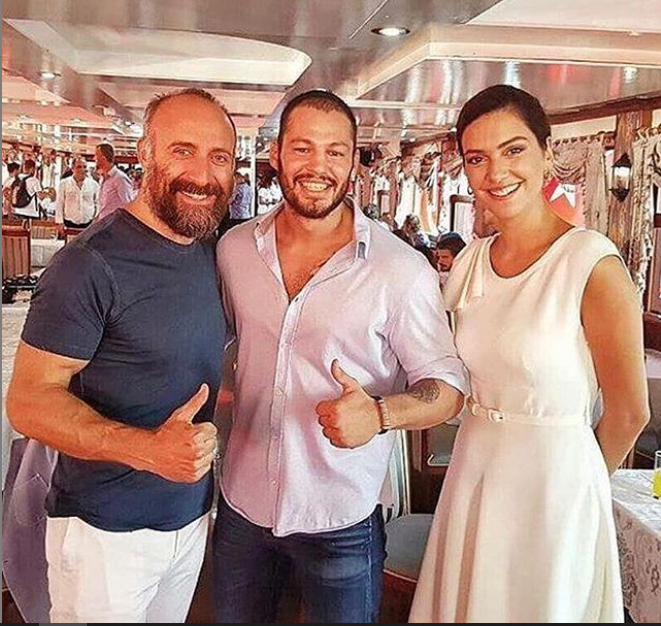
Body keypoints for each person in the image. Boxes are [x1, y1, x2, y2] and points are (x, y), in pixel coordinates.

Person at [214, 89, 467, 624]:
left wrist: (379, 414)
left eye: (335, 152)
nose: (318, 166)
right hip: (241, 506)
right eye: (302, 148)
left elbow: (447, 388)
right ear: (277, 154)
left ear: (354, 162)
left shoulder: (400, 270)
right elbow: (219, 342)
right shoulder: (234, 250)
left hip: (341, 517)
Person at [410, 85, 650, 623]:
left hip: (554, 487)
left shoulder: (592, 264)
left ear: (546, 152)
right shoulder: (470, 261)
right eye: (478, 158)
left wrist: (574, 490)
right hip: (474, 468)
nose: (496, 172)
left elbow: (630, 413)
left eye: (513, 150)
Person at [6, 87, 237, 623]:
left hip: (187, 519)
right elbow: (28, 402)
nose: (202, 175)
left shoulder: (208, 251)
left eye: (219, 157)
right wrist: (146, 449)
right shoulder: (88, 264)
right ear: (146, 155)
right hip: (103, 534)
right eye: (183, 151)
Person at [54, 157, 100, 229]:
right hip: (69, 223)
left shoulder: (94, 184)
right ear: (72, 169)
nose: (82, 169)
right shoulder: (64, 183)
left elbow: (98, 203)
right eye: (79, 167)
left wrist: (96, 220)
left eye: (84, 167)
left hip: (89, 224)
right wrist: (60, 222)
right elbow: (60, 203)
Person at [95, 142, 136, 221]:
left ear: (103, 158)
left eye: (96, 156)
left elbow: (129, 205)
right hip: (103, 222)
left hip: (115, 224)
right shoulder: (102, 178)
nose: (94, 159)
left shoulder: (120, 178)